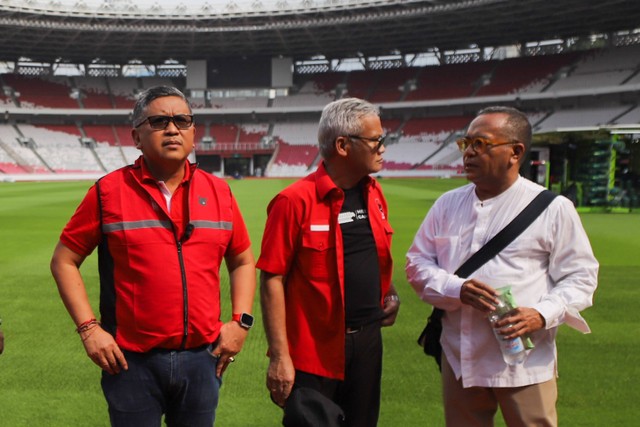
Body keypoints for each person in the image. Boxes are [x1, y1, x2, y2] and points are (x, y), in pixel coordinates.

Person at [50, 85, 256, 426]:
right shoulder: (108, 192)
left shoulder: (220, 192)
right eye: (159, 121)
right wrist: (89, 330)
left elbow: (243, 260)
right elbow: (64, 260)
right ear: (136, 136)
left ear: (193, 132)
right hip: (130, 363)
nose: (172, 128)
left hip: (202, 359)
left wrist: (241, 323)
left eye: (182, 120)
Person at [406, 106, 598, 427]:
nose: (468, 152)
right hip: (460, 358)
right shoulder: (447, 204)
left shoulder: (553, 208)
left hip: (523, 363)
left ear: (515, 152)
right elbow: (417, 264)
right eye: (465, 143)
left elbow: (580, 277)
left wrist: (541, 313)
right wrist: (458, 288)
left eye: (480, 144)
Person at [257, 97, 400, 427]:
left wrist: (389, 293)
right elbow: (272, 279)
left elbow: (371, 256)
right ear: (343, 145)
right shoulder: (293, 201)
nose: (383, 148)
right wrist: (280, 356)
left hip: (367, 343)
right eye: (376, 140)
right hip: (313, 350)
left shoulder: (375, 194)